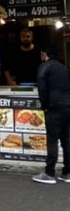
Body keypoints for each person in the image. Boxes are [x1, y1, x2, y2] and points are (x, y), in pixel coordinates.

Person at [33, 45, 70, 184]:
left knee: (52, 141)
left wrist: (45, 107)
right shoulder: (63, 67)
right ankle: (67, 172)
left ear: (44, 54)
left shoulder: (45, 66)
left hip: (54, 107)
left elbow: (42, 89)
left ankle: (49, 173)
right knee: (67, 141)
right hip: (68, 107)